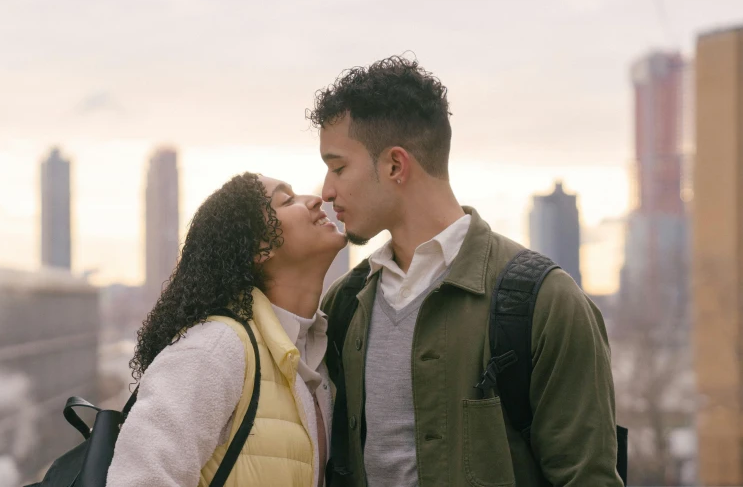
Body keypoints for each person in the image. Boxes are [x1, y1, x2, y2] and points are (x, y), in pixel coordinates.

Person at [310, 56, 624, 486]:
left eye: (338, 166)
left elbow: (587, 477)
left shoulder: (544, 303)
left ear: (395, 166)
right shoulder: (345, 304)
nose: (327, 190)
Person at [106, 172, 346, 487]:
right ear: (260, 249)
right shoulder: (214, 349)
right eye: (287, 200)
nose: (316, 200)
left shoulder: (318, 355)